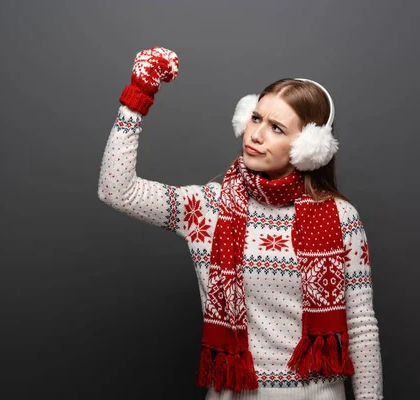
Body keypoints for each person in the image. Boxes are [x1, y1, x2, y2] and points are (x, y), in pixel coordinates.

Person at [97, 46, 383, 400]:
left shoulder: (340, 219)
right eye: (256, 118)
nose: (256, 134)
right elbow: (116, 190)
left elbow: (360, 327)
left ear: (310, 147)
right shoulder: (207, 209)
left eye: (276, 127)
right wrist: (137, 99)